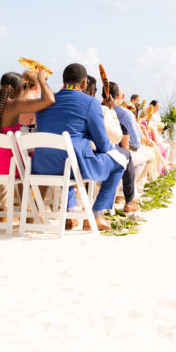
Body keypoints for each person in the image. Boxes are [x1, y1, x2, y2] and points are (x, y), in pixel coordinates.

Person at [33, 63, 125, 231]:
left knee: (65, 156)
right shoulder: (90, 102)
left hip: (42, 163)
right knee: (120, 162)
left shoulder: (46, 101)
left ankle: (69, 214)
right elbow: (103, 144)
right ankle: (95, 215)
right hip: (72, 163)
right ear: (84, 84)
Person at [0, 71, 54, 205]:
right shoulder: (16, 104)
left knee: (20, 158)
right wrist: (42, 80)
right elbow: (49, 100)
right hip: (7, 166)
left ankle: (27, 210)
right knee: (34, 160)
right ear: (19, 88)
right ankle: (31, 211)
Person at [85, 76, 140, 213]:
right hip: (100, 153)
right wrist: (110, 111)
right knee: (125, 157)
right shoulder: (113, 111)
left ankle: (80, 204)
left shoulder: (87, 106)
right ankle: (125, 202)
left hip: (76, 154)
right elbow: (116, 137)